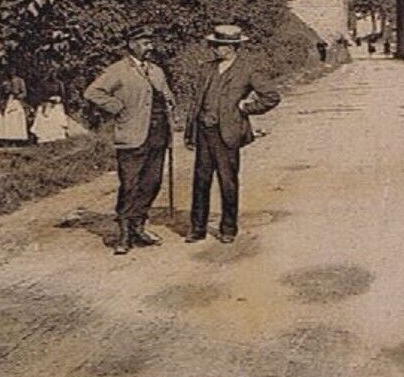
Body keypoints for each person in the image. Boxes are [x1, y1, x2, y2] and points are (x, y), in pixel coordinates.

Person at [85, 26, 179, 255]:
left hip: (158, 135)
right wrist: (118, 107)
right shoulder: (118, 70)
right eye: (145, 42)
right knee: (130, 185)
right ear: (131, 44)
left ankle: (139, 226)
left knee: (152, 183)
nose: (150, 47)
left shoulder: (156, 71)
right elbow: (93, 92)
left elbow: (168, 97)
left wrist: (171, 113)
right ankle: (125, 233)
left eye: (151, 42)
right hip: (132, 135)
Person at [185, 24, 281, 244]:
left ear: (231, 47)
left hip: (227, 134)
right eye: (214, 45)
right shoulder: (206, 68)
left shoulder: (247, 70)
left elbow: (271, 96)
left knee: (228, 182)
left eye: (218, 45)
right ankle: (197, 228)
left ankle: (228, 228)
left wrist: (246, 107)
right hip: (204, 132)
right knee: (200, 181)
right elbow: (196, 103)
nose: (214, 49)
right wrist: (190, 133)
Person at [0, 72, 31, 145]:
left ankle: (16, 139)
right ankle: (5, 138)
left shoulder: (20, 80)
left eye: (13, 70)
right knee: (4, 119)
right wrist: (2, 101)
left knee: (15, 118)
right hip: (6, 101)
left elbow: (24, 93)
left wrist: (17, 96)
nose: (11, 72)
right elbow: (1, 93)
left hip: (15, 101)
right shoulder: (4, 81)